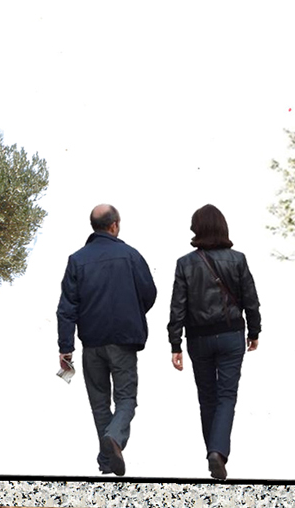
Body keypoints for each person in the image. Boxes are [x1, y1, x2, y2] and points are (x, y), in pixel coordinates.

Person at [55, 204, 156, 477]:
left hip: (92, 344)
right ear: (115, 225)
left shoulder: (77, 260)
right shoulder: (131, 256)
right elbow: (149, 293)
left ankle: (107, 461)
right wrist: (130, 313)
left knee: (99, 403)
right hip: (123, 341)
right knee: (126, 399)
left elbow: (67, 308)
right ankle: (114, 439)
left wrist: (66, 347)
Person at [165, 204, 263, 482]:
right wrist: (254, 332)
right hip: (232, 336)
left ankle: (213, 452)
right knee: (226, 396)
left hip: (198, 339)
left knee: (206, 397)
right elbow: (250, 300)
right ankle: (217, 452)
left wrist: (175, 345)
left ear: (197, 229)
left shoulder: (185, 263)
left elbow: (177, 308)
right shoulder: (238, 259)